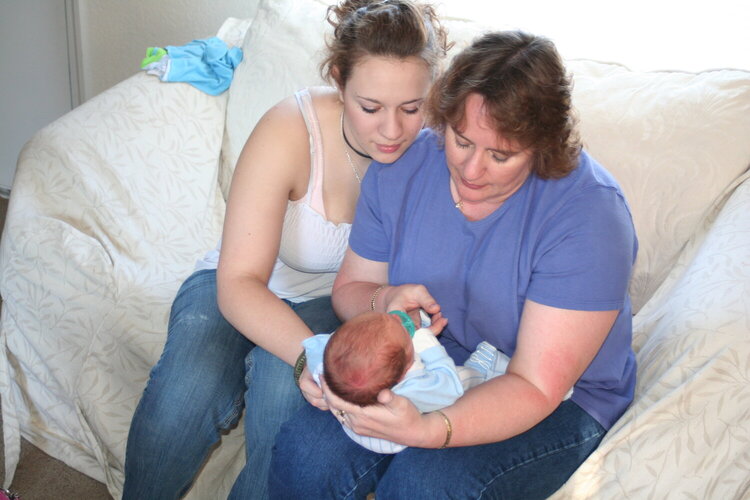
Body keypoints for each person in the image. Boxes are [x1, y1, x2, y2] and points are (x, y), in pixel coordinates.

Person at [269, 30, 638, 499]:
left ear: (543, 147)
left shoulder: (589, 217)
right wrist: (384, 300)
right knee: (308, 452)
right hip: (436, 360)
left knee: (425, 484)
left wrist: (429, 429)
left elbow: (535, 385)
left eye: (501, 155)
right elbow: (352, 288)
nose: (472, 170)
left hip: (559, 397)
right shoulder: (402, 167)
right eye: (461, 141)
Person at [122, 1, 449, 498]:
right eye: (370, 107)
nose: (392, 131)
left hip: (340, 304)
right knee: (184, 394)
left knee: (282, 397)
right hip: (241, 280)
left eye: (411, 107)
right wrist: (306, 356)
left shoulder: (443, 151)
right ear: (339, 81)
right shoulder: (290, 128)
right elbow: (238, 282)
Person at [305, 310, 534, 454]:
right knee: (466, 378)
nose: (397, 317)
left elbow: (325, 346)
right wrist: (426, 341)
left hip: (357, 428)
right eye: (406, 334)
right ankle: (486, 369)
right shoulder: (414, 386)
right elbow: (450, 386)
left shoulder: (333, 366)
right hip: (394, 437)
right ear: (406, 369)